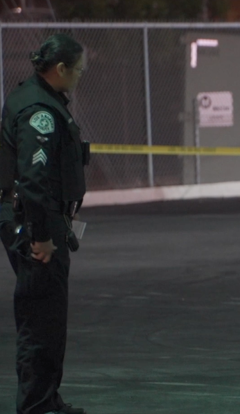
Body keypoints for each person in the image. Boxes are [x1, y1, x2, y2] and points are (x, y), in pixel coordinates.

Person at [0, 33, 90, 414]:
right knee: (40, 319)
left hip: (36, 216)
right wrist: (42, 237)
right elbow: (34, 182)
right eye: (78, 71)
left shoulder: (34, 97)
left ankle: (46, 399)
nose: (80, 77)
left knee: (48, 318)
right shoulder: (40, 110)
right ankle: (36, 406)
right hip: (34, 222)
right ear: (61, 69)